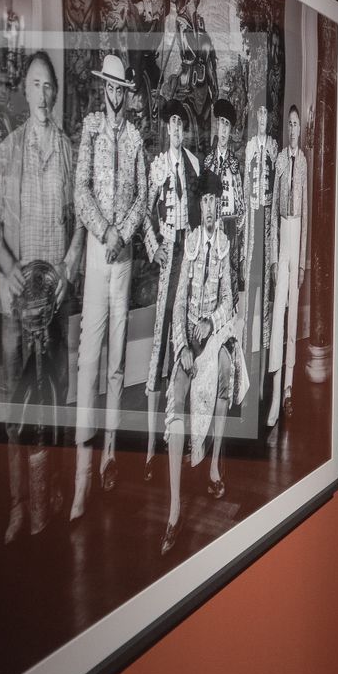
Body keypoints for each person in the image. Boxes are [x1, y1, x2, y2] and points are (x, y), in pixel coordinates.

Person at [0, 51, 83, 541]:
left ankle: (53, 491)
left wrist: (67, 269)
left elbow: (79, 224)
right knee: (15, 408)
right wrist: (9, 268)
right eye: (36, 85)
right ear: (25, 91)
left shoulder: (66, 150)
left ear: (55, 94)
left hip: (55, 303)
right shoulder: (9, 149)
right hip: (15, 303)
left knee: (56, 399)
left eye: (50, 87)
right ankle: (19, 505)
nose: (43, 95)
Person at [70, 53, 148, 519]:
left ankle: (111, 455)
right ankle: (80, 475)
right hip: (101, 251)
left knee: (117, 359)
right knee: (89, 356)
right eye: (111, 89)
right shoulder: (91, 129)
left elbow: (142, 194)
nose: (117, 96)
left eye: (122, 90)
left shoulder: (137, 137)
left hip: (124, 256)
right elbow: (81, 189)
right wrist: (105, 230)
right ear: (103, 88)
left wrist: (127, 230)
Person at [159, 181, 248, 554]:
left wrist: (212, 323)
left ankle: (213, 466)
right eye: (206, 201)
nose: (210, 207)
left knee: (227, 370)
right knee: (178, 394)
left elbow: (230, 298)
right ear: (199, 206)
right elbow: (178, 303)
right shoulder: (190, 242)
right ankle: (175, 507)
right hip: (189, 341)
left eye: (215, 201)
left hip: (213, 332)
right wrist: (181, 346)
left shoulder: (225, 246)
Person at [143, 99, 202, 477]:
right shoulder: (159, 165)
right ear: (167, 129)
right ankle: (150, 446)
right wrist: (155, 247)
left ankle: (175, 433)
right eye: (173, 124)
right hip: (169, 255)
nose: (177, 129)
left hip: (189, 254)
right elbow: (145, 211)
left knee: (183, 341)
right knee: (160, 343)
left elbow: (197, 212)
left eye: (182, 124)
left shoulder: (193, 164)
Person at [267, 104, 308, 426]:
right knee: (278, 309)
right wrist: (271, 255)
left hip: (297, 234)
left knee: (293, 312)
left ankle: (289, 390)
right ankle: (274, 388)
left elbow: (306, 211)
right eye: (290, 125)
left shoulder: (304, 162)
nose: (293, 130)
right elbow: (270, 213)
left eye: (296, 125)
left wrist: (304, 259)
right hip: (281, 232)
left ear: (301, 129)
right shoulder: (281, 159)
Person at [244, 103, 278, 354]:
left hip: (268, 220)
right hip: (253, 218)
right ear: (256, 118)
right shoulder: (250, 147)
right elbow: (246, 186)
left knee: (267, 292)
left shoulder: (274, 147)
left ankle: (264, 351)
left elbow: (275, 189)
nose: (263, 118)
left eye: (267, 114)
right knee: (251, 290)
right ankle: (245, 348)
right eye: (260, 114)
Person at [207, 98, 246, 294]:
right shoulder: (208, 163)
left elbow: (241, 207)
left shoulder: (234, 165)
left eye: (226, 124)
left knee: (228, 290)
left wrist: (236, 237)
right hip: (212, 230)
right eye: (220, 122)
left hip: (230, 230)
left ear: (230, 131)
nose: (222, 130)